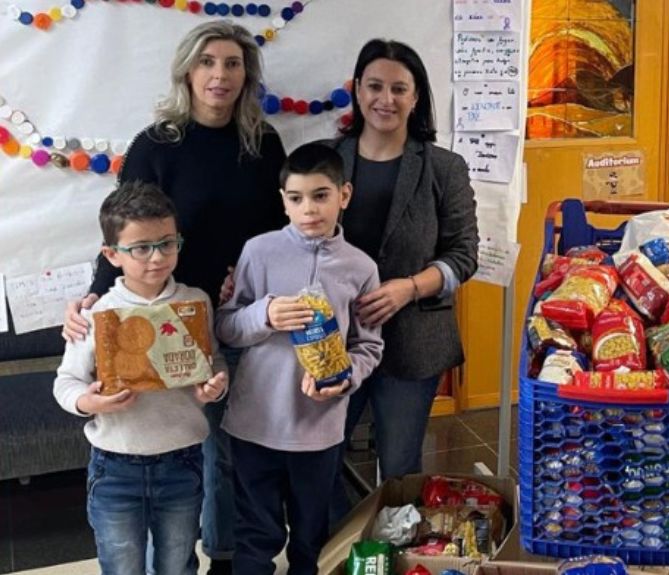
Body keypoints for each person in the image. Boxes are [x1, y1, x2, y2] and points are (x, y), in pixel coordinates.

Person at [62, 21, 286, 573]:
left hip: (237, 314)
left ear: (246, 75)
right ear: (188, 70)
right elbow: (125, 223)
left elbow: (275, 231)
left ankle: (226, 556)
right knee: (192, 448)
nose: (220, 75)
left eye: (233, 64)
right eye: (208, 62)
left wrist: (249, 275)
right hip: (165, 315)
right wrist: (94, 297)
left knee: (229, 451)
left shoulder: (264, 143)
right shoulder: (156, 144)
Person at [215, 143, 384, 574]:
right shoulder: (259, 251)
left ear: (344, 195)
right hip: (255, 424)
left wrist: (345, 377)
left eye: (320, 196)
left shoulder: (360, 267)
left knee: (313, 537)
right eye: (296, 199)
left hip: (318, 429)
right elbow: (226, 325)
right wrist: (265, 314)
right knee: (255, 534)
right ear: (283, 202)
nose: (308, 209)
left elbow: (368, 345)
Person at [325, 39, 479, 492]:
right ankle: (338, 549)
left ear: (416, 97)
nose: (385, 99)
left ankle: (391, 552)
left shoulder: (443, 167)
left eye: (398, 89)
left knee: (399, 466)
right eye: (374, 86)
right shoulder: (328, 161)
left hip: (414, 339)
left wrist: (408, 288)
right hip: (333, 336)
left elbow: (463, 254)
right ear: (358, 91)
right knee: (320, 458)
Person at [54, 182, 228, 575]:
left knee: (178, 561)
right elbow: (66, 382)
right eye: (140, 248)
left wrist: (216, 385)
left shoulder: (195, 302)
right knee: (122, 564)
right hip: (115, 465)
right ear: (112, 255)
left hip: (182, 460)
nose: (157, 257)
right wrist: (89, 402)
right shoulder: (98, 315)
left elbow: (213, 362)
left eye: (167, 243)